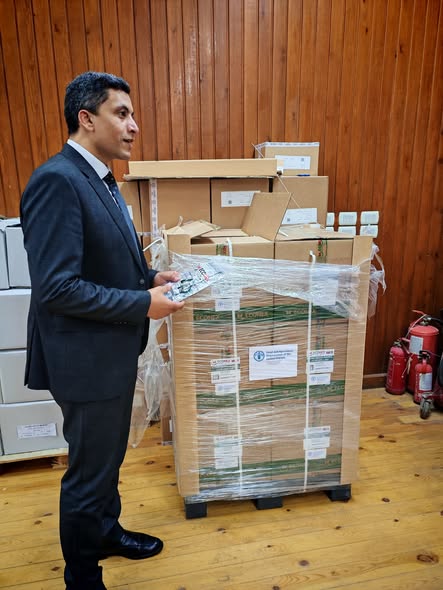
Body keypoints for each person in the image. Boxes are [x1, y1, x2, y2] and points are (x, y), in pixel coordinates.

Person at [20, 71, 184, 590]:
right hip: (84, 361)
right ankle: (82, 576)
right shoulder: (58, 180)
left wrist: (150, 278)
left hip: (109, 351)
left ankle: (106, 533)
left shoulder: (101, 179)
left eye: (133, 115)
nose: (134, 126)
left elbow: (102, 260)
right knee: (88, 474)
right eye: (122, 114)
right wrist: (143, 303)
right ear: (86, 119)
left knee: (107, 461)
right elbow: (58, 288)